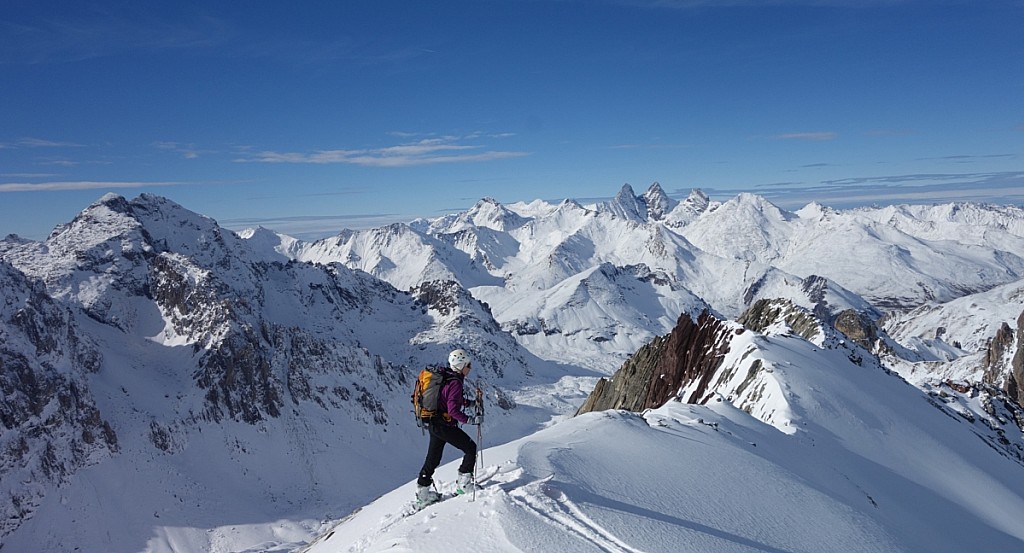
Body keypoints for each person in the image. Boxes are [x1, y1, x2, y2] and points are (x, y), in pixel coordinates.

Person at [416, 349, 480, 505]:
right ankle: (463, 485)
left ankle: (423, 495)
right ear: (461, 365)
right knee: (470, 448)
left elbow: (450, 399)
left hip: (433, 422)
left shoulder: (447, 378)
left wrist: (470, 403)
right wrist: (470, 420)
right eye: (468, 365)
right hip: (444, 425)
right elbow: (452, 409)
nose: (470, 368)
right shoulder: (455, 382)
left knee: (433, 459)